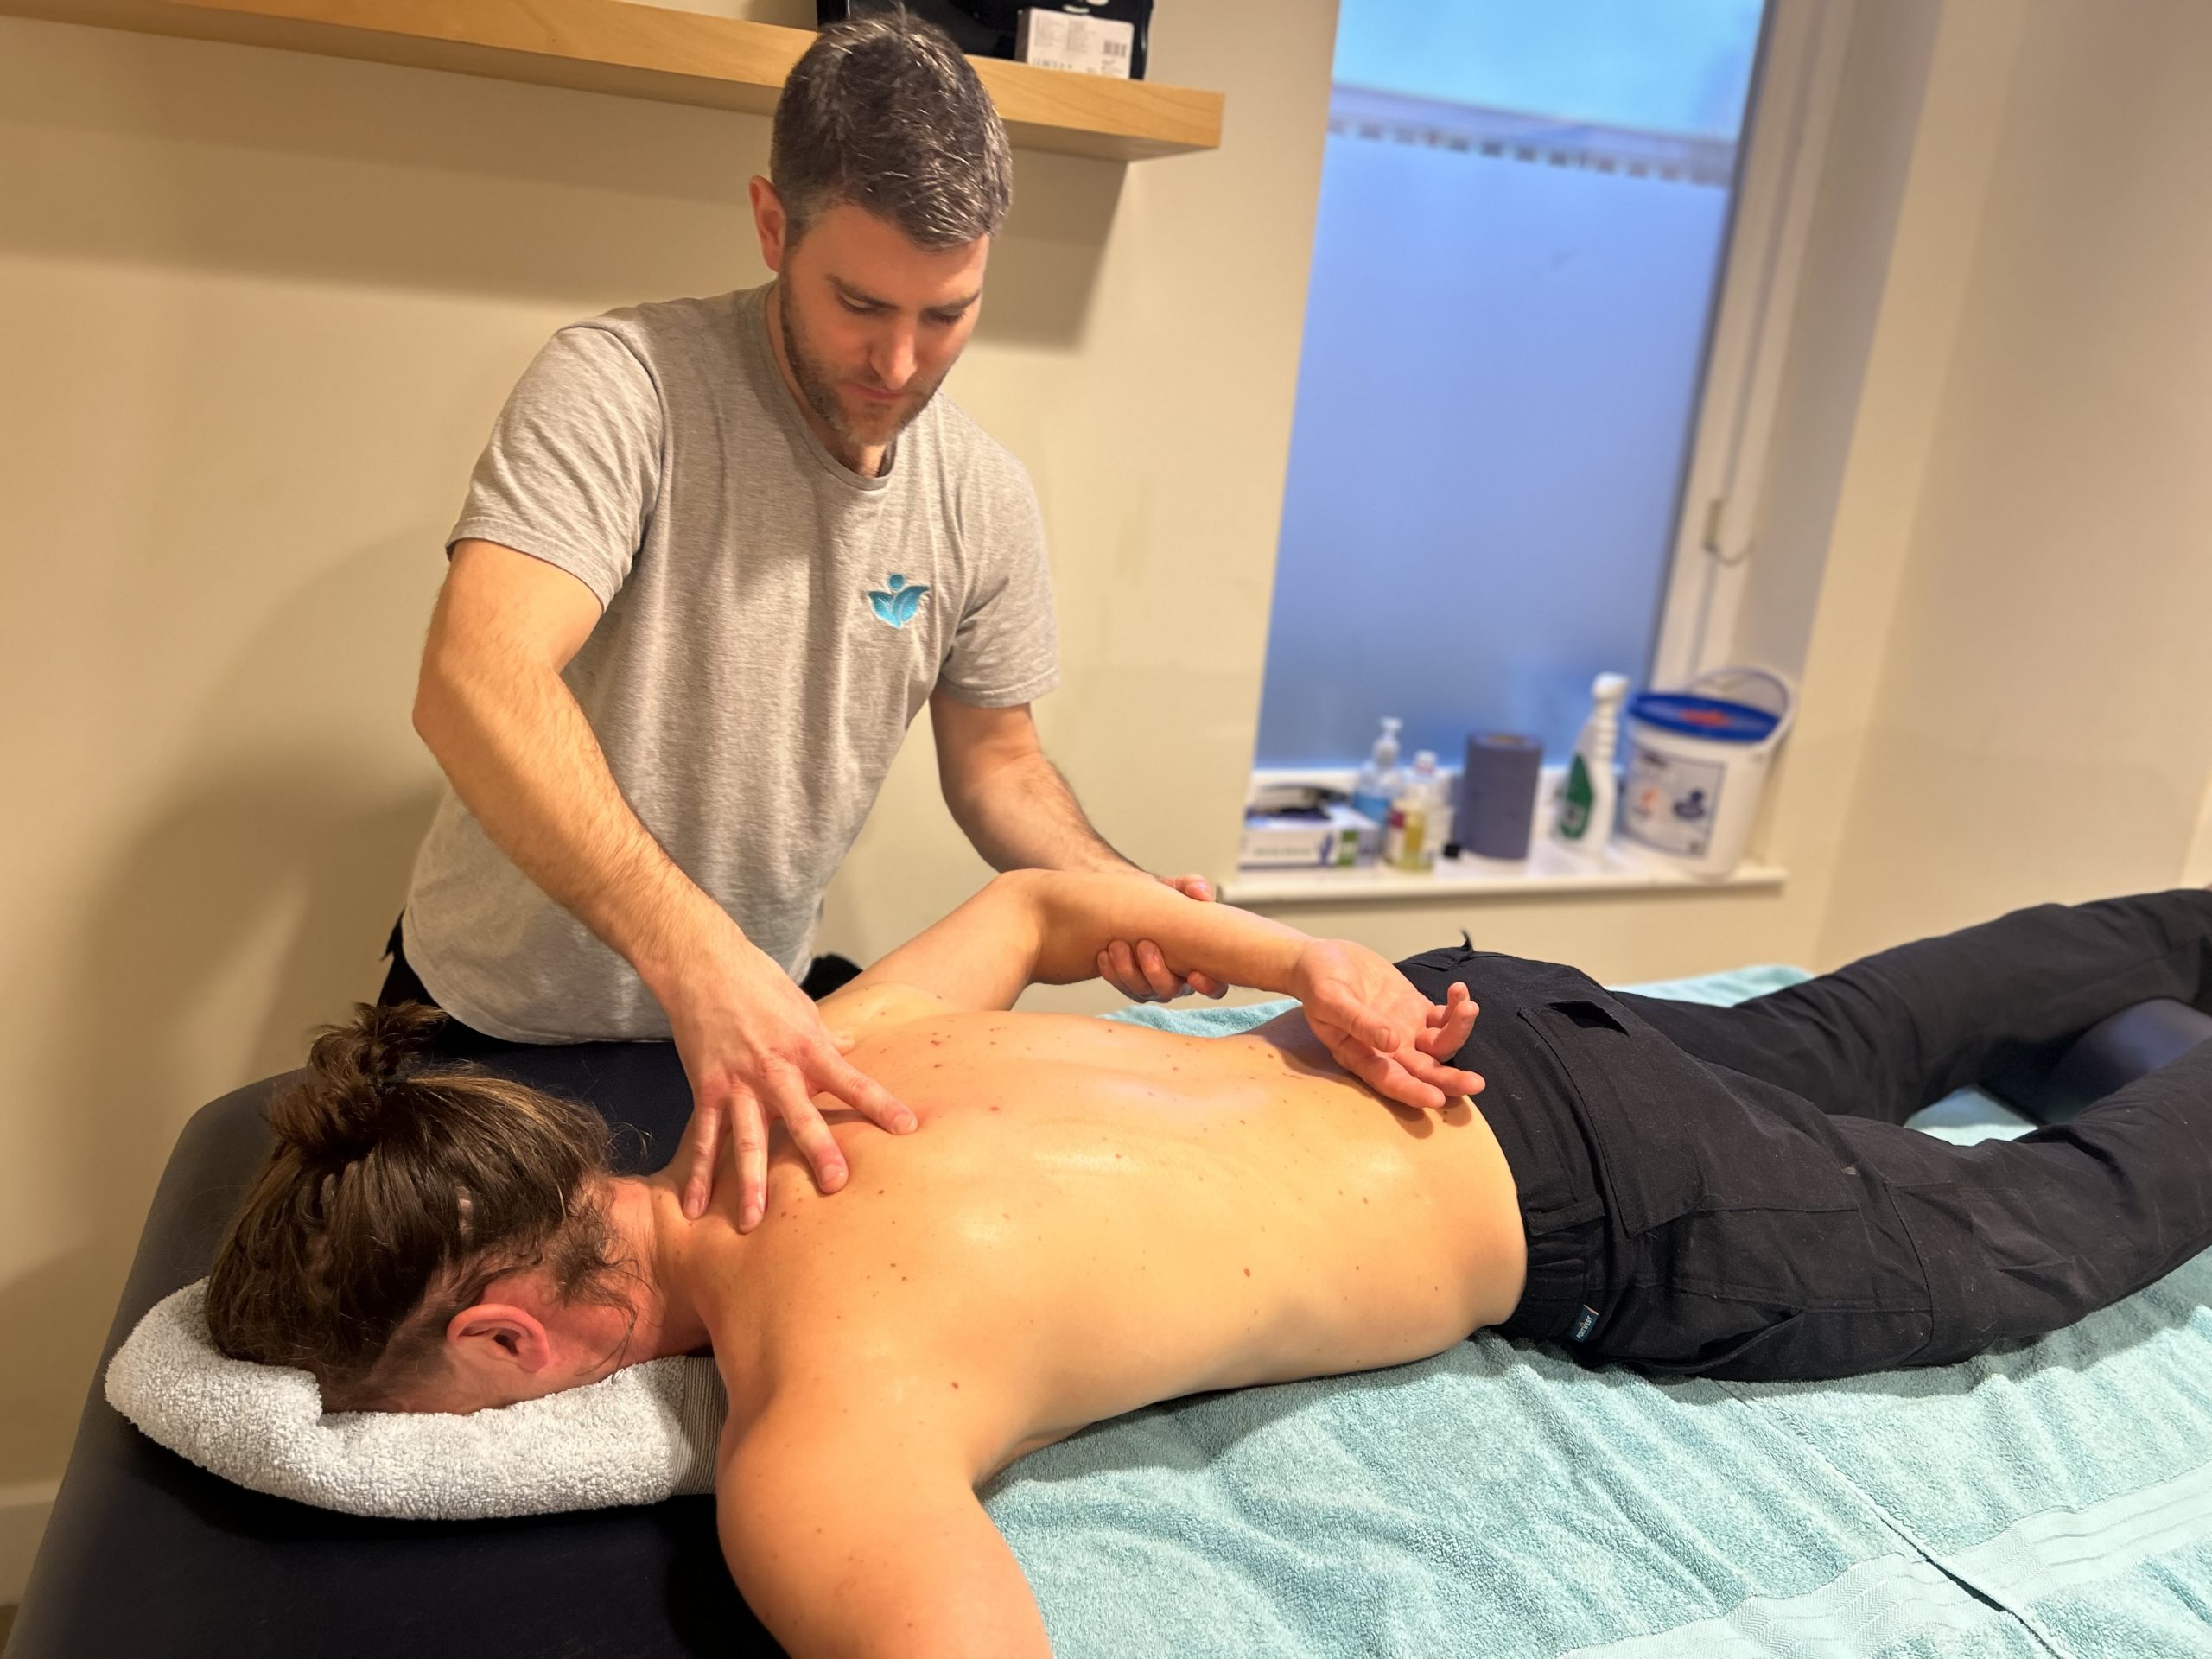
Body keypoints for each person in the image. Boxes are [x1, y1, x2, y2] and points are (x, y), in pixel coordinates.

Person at [209, 880, 2212, 1656]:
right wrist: (1303, 967)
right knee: (1848, 1032)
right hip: (1443, 1016)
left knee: (2045, 1230)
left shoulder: (821, 1428)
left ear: (499, 1329)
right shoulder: (840, 1047)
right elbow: (1032, 900)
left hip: (1587, 1198)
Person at [390, 12, 1217, 1237]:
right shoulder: (622, 389)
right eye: (859, 303)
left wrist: (1117, 893)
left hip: (758, 1023)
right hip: (500, 1029)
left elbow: (1000, 768)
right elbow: (476, 680)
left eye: (946, 315)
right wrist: (700, 958)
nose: (898, 361)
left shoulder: (980, 494)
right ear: (774, 224)